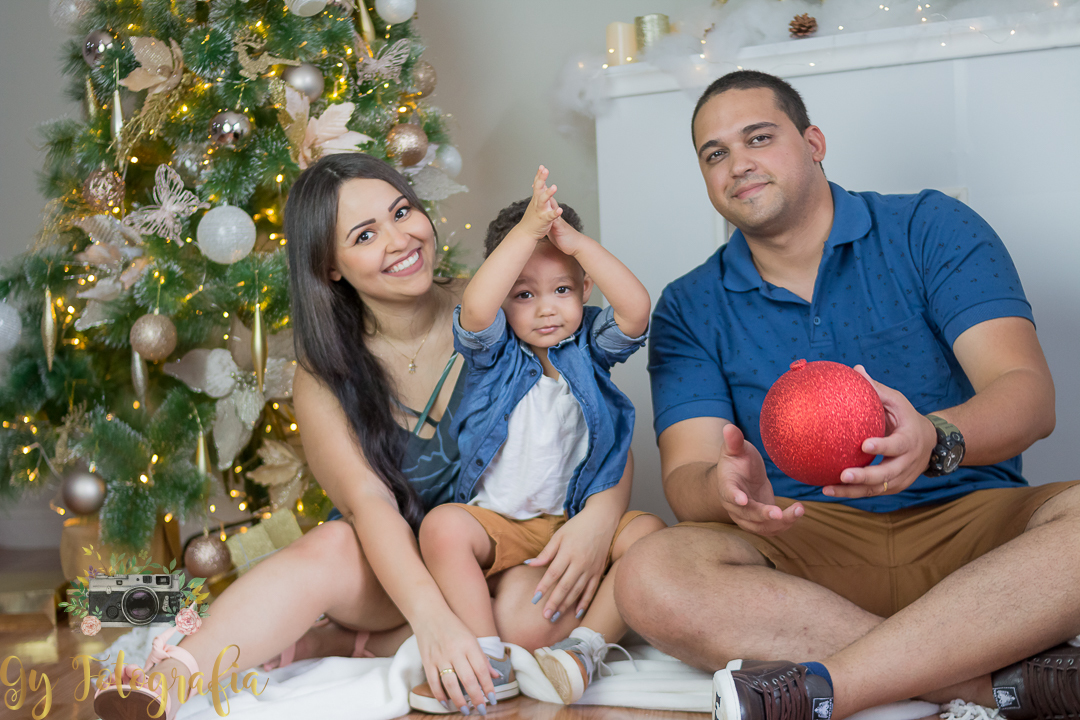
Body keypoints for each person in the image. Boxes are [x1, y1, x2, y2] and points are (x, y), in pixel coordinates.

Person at [613, 70, 1080, 720]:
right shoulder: (690, 305)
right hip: (808, 543)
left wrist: (934, 441)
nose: (737, 164)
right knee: (649, 572)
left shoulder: (930, 226)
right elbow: (687, 474)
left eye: (758, 137)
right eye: (714, 153)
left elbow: (1030, 397)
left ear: (814, 142)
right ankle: (990, 685)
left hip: (971, 527)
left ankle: (830, 688)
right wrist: (727, 487)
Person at [92, 154, 601, 720]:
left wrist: (599, 522)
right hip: (391, 573)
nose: (400, 239)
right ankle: (171, 678)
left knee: (532, 620)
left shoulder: (503, 304)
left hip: (498, 550)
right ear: (331, 266)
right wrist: (432, 619)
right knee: (331, 545)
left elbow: (595, 412)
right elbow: (369, 505)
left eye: (402, 211)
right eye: (364, 234)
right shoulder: (322, 373)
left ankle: (333, 643)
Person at [408, 167, 664, 711]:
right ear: (504, 298)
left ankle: (584, 651)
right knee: (442, 527)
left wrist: (573, 242)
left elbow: (637, 309)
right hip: (498, 523)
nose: (547, 308)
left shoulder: (589, 348)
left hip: (571, 525)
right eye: (524, 294)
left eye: (562, 289)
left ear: (584, 289)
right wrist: (526, 231)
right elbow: (477, 308)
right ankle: (486, 658)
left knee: (650, 536)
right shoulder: (494, 353)